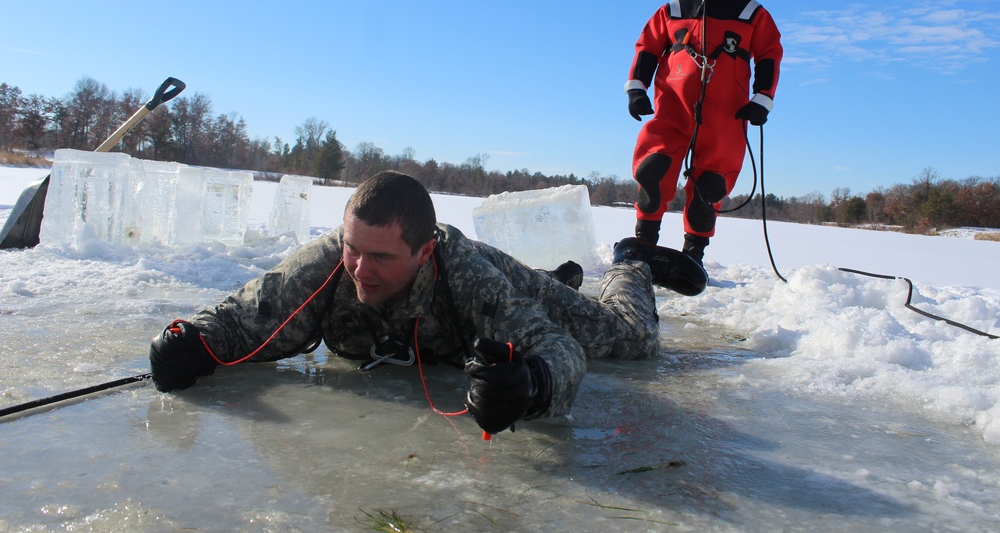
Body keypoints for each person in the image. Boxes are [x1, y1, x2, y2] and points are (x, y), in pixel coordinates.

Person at [150, 171, 660, 435]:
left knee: (630, 338)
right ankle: (562, 279)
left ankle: (631, 262)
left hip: (502, 277)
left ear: (423, 253)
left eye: (380, 257)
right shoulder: (333, 260)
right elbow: (248, 314)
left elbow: (557, 344)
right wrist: (193, 340)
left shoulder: (466, 277)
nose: (359, 270)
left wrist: (534, 383)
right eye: (352, 249)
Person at [623, 0, 783, 267]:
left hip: (726, 115)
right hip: (672, 107)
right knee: (653, 174)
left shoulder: (751, 13)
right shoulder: (673, 10)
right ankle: (642, 252)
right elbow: (647, 47)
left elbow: (769, 53)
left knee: (709, 189)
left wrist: (762, 99)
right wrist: (636, 88)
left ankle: (691, 261)